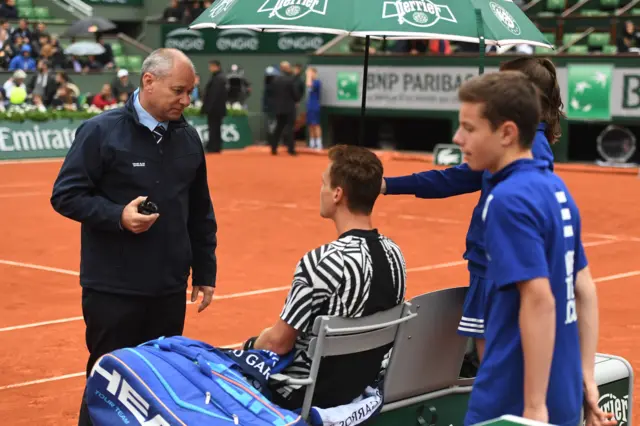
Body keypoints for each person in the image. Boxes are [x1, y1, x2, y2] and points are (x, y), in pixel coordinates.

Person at [50, 48, 218, 426]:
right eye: (178, 90)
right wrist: (117, 217)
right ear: (148, 82)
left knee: (160, 383)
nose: (185, 100)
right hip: (113, 287)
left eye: (190, 92)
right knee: (108, 382)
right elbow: (66, 195)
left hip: (168, 287)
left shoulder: (188, 138)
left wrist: (205, 271)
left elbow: (200, 211)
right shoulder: (100, 131)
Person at [454, 71, 614, 426]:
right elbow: (584, 288)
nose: (458, 137)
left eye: (469, 127)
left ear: (507, 133)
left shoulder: (506, 200)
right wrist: (587, 378)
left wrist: (533, 409)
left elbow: (539, 299)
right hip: (564, 389)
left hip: (511, 397)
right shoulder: (556, 189)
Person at [380, 57, 562, 362]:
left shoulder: (529, 150)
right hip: (489, 266)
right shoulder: (518, 144)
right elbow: (457, 178)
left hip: (496, 270)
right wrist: (387, 184)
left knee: (492, 364)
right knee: (490, 361)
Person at [243, 145, 407, 410]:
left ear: (338, 194)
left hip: (306, 392)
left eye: (323, 184)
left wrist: (248, 346)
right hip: (359, 385)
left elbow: (277, 343)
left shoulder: (323, 261)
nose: (321, 191)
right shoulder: (395, 255)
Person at [268, 61, 302, 156]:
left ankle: (274, 149)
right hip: (289, 108)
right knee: (290, 128)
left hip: (278, 108)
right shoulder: (290, 80)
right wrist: (297, 100)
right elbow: (295, 94)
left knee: (278, 127)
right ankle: (291, 150)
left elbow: (271, 94)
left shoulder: (275, 80)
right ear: (286, 68)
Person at [201, 59, 227, 153]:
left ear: (216, 66)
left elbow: (213, 95)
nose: (210, 68)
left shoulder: (218, 78)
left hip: (215, 109)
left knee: (214, 128)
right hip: (217, 109)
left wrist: (208, 108)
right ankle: (215, 146)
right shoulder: (218, 77)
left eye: (211, 66)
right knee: (215, 127)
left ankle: (213, 147)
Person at [305, 67, 322, 150]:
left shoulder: (317, 82)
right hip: (309, 106)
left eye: (311, 73)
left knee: (316, 125)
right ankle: (312, 144)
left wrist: (308, 74)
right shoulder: (311, 82)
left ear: (314, 73)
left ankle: (319, 144)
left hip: (315, 106)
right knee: (310, 125)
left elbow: (308, 84)